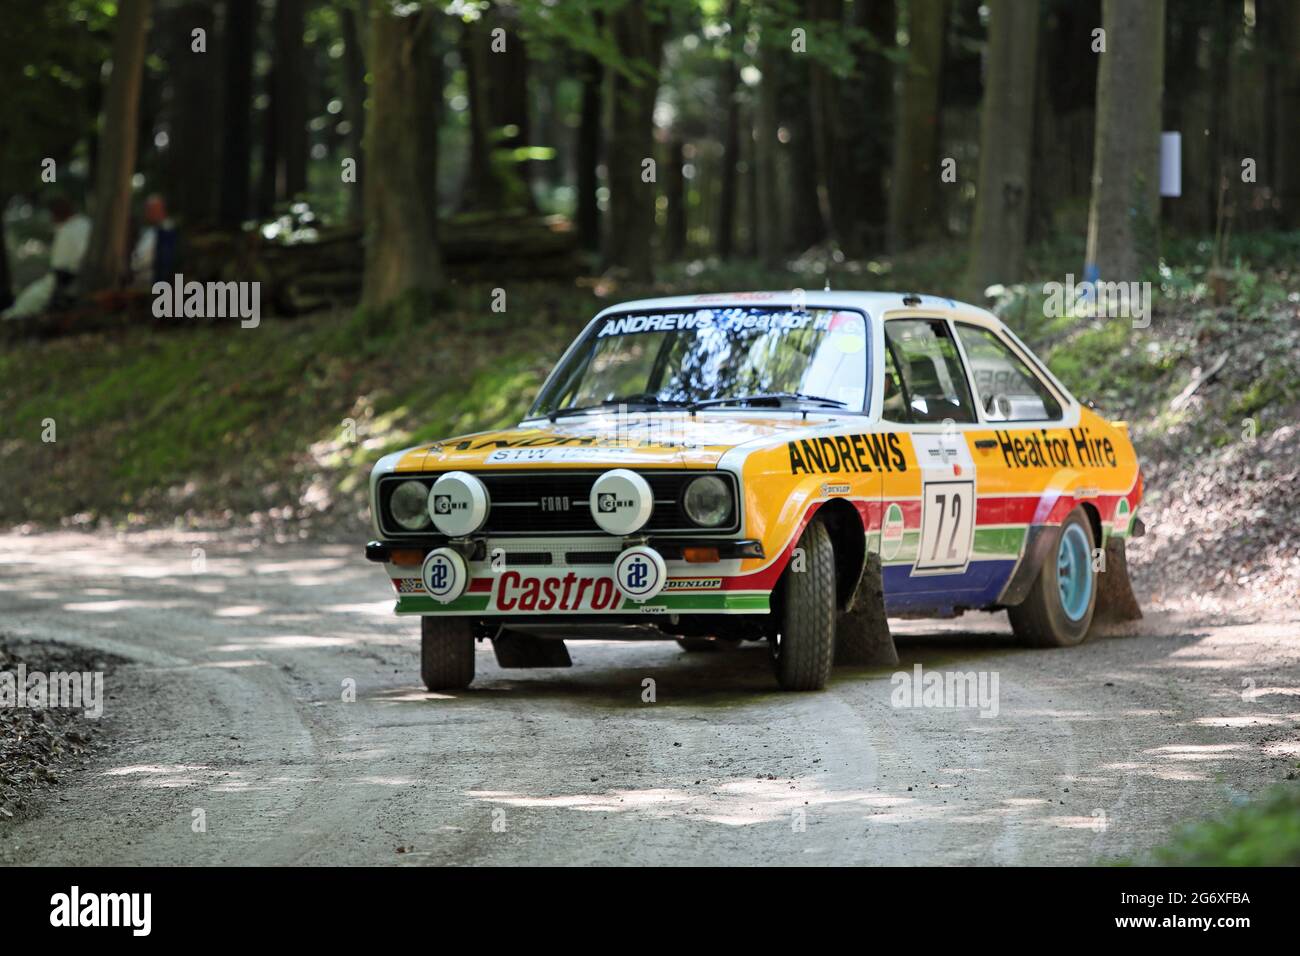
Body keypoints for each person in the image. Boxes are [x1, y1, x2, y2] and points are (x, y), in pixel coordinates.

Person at [1, 197, 92, 320]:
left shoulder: (66, 231)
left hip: (66, 283)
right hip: (75, 278)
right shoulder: (86, 223)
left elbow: (61, 271)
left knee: (26, 303)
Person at [130, 194, 179, 288]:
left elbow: (165, 261)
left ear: (160, 209)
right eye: (147, 210)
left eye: (150, 210)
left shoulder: (168, 232)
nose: (147, 213)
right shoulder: (149, 231)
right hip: (140, 282)